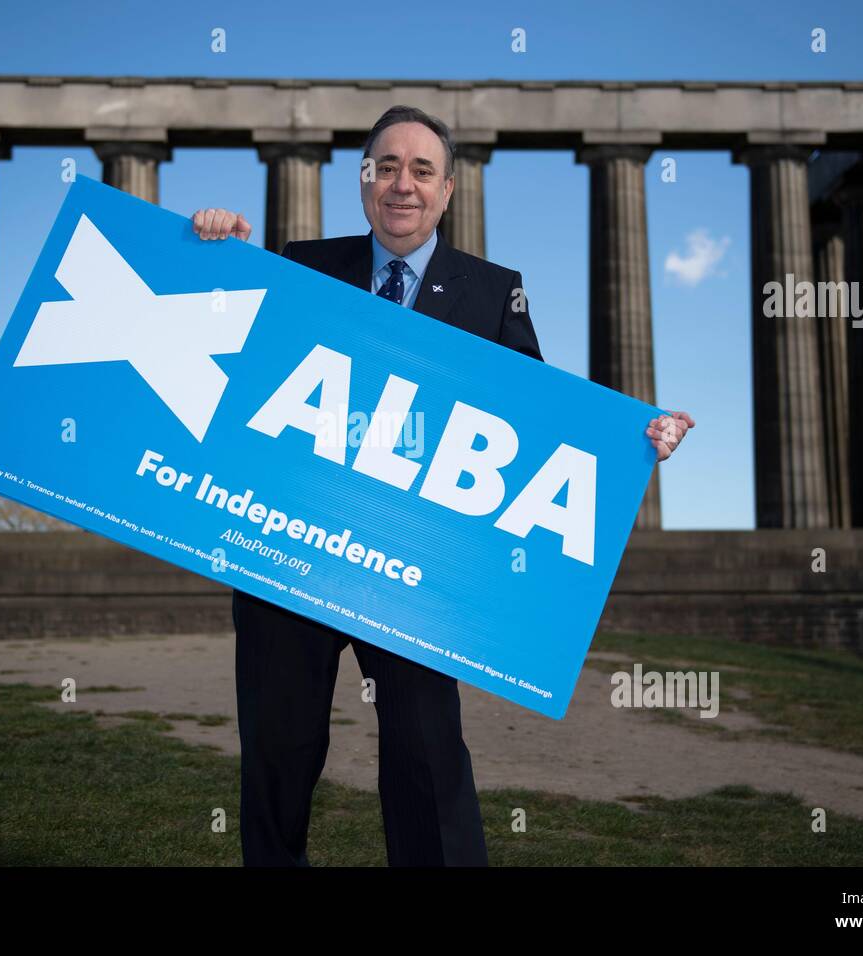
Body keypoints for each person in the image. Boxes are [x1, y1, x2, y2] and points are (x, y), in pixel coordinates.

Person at [191, 105, 694, 866]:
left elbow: (541, 419)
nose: (402, 184)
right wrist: (217, 256)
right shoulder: (302, 263)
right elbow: (228, 348)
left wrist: (635, 438)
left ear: (449, 189)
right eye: (385, 166)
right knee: (277, 751)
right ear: (363, 180)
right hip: (291, 549)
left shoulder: (495, 292)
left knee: (428, 756)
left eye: (421, 170)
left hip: (418, 567)